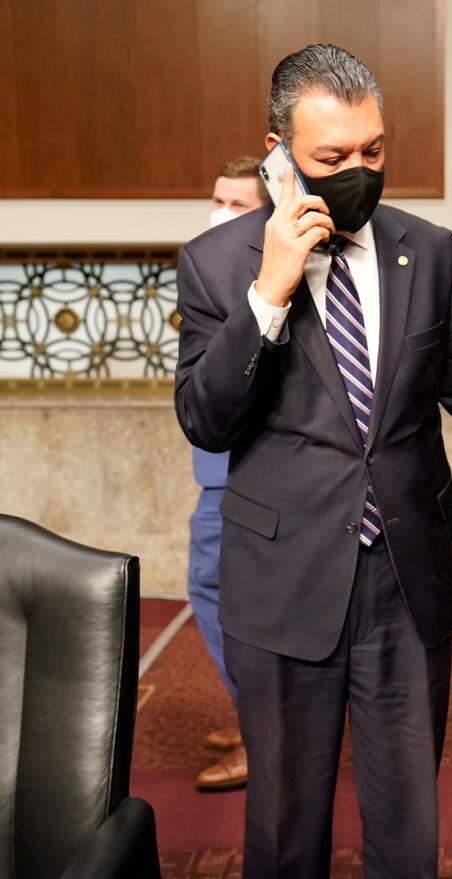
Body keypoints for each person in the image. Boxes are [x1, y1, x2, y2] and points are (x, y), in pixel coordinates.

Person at [173, 44, 452, 879]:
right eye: (332, 157)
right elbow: (207, 418)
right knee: (282, 830)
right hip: (283, 582)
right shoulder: (215, 264)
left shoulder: (426, 251)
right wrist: (270, 292)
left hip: (403, 578)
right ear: (278, 149)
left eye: (375, 152)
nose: (360, 173)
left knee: (408, 828)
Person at [190, 156, 269, 793]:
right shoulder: (209, 268)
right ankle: (255, 721)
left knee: (219, 598)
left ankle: (262, 732)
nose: (221, 213)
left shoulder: (264, 278)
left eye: (238, 204)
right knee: (214, 596)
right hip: (215, 467)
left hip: (242, 474)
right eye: (217, 200)